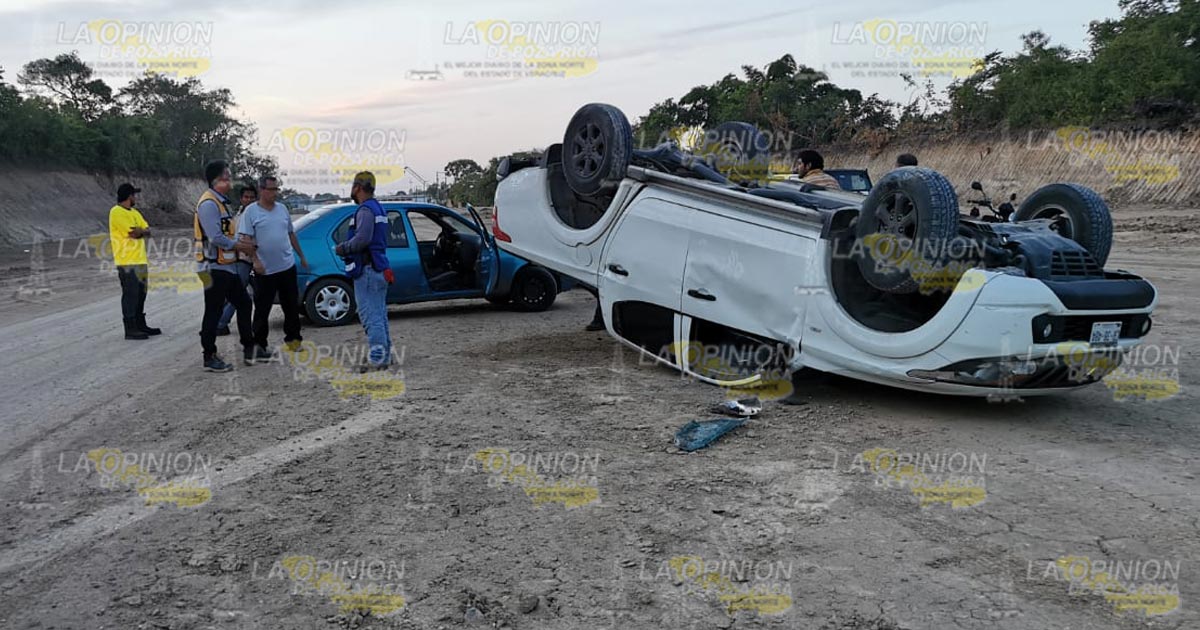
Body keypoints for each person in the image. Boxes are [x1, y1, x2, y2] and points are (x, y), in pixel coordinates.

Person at [195, 160, 258, 372]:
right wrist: (238, 245)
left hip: (225, 267)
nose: (230, 180)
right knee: (213, 311)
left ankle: (249, 347)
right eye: (227, 176)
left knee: (244, 302)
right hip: (212, 268)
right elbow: (215, 237)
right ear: (217, 180)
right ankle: (209, 356)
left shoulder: (221, 203)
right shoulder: (209, 204)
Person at [237, 175, 307, 359]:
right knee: (262, 308)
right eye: (271, 189)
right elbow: (245, 240)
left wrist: (301, 256)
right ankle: (259, 345)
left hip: (286, 265)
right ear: (262, 190)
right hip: (264, 270)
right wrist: (255, 261)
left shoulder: (282, 209)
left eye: (276, 189)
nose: (275, 193)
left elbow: (291, 234)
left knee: (291, 305)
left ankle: (293, 340)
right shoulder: (251, 212)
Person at [335, 171, 393, 371]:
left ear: (358, 187)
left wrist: (343, 248)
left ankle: (378, 359)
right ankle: (386, 355)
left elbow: (362, 239)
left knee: (371, 317)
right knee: (380, 315)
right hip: (379, 266)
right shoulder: (378, 208)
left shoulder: (365, 210)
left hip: (367, 269)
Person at [109, 182, 161, 340]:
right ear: (129, 196)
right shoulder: (116, 212)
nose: (135, 198)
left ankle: (140, 323)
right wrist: (142, 231)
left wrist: (142, 231)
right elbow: (134, 233)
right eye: (134, 195)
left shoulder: (135, 212)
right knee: (130, 294)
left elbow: (146, 230)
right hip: (126, 261)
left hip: (140, 259)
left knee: (141, 293)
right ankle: (130, 328)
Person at [216, 184, 257, 336]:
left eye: (252, 197)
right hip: (241, 259)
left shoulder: (244, 214)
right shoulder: (240, 214)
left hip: (242, 258)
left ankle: (220, 322)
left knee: (235, 293)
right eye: (246, 197)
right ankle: (221, 323)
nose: (249, 200)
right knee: (239, 294)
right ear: (241, 199)